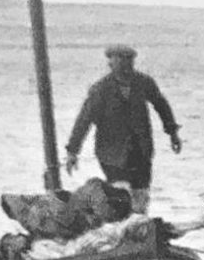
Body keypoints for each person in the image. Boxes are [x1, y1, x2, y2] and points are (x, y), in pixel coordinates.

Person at [64, 44, 182, 215]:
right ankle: (122, 225)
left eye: (129, 61)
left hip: (140, 150)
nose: (125, 65)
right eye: (120, 61)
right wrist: (72, 151)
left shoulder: (143, 83)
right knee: (120, 193)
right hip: (111, 153)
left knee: (141, 193)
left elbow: (160, 105)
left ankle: (140, 228)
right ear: (110, 63)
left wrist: (173, 133)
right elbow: (84, 120)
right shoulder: (101, 89)